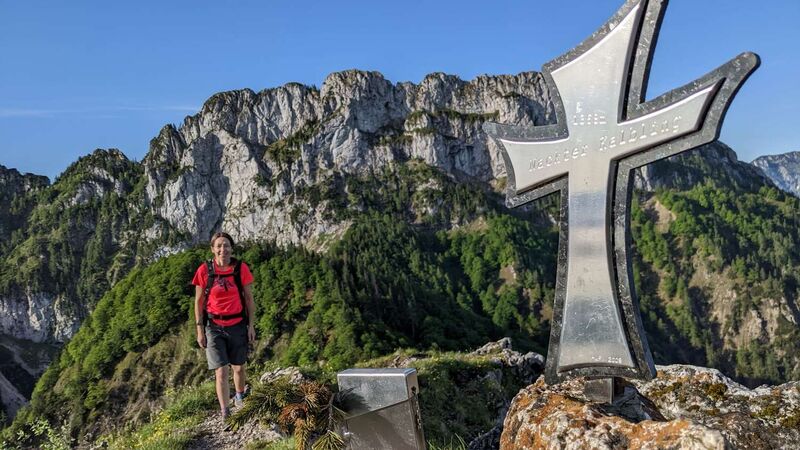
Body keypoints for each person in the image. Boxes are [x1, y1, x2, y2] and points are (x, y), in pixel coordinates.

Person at [192, 232, 257, 419]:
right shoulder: (204, 270)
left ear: (232, 248)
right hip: (213, 326)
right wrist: (200, 330)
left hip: (237, 324)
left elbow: (249, 299)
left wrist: (251, 325)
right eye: (219, 246)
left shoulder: (240, 268)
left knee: (239, 367)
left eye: (226, 245)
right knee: (221, 370)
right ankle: (225, 412)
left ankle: (239, 396)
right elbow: (198, 302)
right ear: (213, 249)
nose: (223, 250)